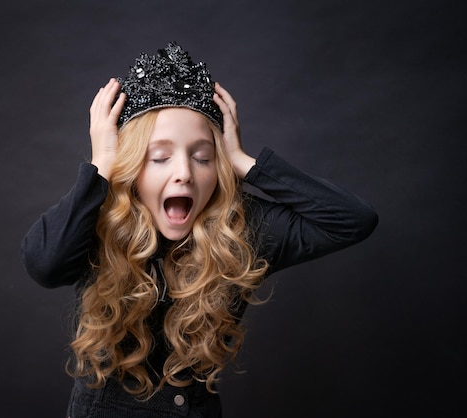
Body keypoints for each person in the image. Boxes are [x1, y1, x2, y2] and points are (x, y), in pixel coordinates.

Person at [20, 42, 378, 418]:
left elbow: (354, 219)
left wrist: (244, 162)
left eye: (202, 157)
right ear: (133, 168)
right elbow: (44, 263)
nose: (185, 173)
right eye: (159, 157)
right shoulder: (100, 218)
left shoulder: (240, 228)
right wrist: (102, 165)